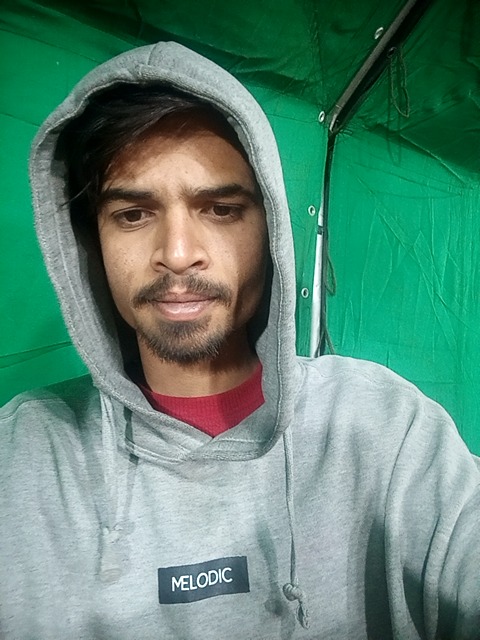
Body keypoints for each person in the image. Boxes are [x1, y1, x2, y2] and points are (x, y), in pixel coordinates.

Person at [1, 41, 479, 640]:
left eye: (221, 209)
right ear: (90, 242)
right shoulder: (23, 455)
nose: (178, 254)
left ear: (271, 229)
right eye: (133, 214)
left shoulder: (385, 428)